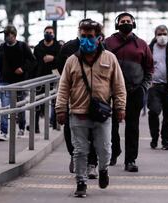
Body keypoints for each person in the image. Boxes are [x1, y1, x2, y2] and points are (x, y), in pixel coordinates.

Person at [56, 20, 126, 197]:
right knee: (80, 150)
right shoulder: (72, 60)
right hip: (78, 113)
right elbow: (63, 86)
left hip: (102, 114)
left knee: (104, 148)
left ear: (99, 38)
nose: (86, 39)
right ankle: (81, 182)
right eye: (83, 36)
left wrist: (120, 107)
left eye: (90, 36)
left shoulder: (109, 58)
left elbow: (118, 85)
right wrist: (60, 109)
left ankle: (103, 169)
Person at [105, 12, 153, 171]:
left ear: (133, 24)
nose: (125, 23)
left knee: (132, 126)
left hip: (134, 91)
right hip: (112, 92)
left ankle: (130, 160)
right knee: (111, 125)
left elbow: (149, 68)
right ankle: (113, 151)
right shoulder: (108, 43)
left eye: (128, 21)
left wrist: (144, 87)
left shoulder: (142, 44)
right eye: (122, 21)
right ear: (117, 24)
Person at [56, 19, 99, 179]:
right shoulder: (68, 48)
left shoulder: (102, 49)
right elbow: (59, 69)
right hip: (73, 100)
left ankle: (92, 163)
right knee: (71, 131)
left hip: (95, 101)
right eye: (84, 31)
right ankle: (74, 157)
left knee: (94, 132)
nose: (87, 35)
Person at [0, 24, 36, 141]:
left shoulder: (22, 46)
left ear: (13, 35)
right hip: (5, 82)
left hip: (20, 82)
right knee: (4, 107)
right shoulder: (2, 47)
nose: (5, 37)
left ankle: (21, 127)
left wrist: (23, 69)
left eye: (7, 34)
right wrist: (0, 79)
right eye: (4, 35)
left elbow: (33, 61)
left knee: (20, 107)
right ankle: (3, 131)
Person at [32, 25, 61, 133]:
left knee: (55, 101)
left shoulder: (58, 47)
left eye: (50, 33)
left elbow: (61, 61)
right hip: (41, 78)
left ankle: (54, 123)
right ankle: (36, 126)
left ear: (53, 35)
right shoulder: (38, 48)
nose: (48, 34)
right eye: (47, 32)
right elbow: (34, 63)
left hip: (54, 77)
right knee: (38, 102)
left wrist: (53, 58)